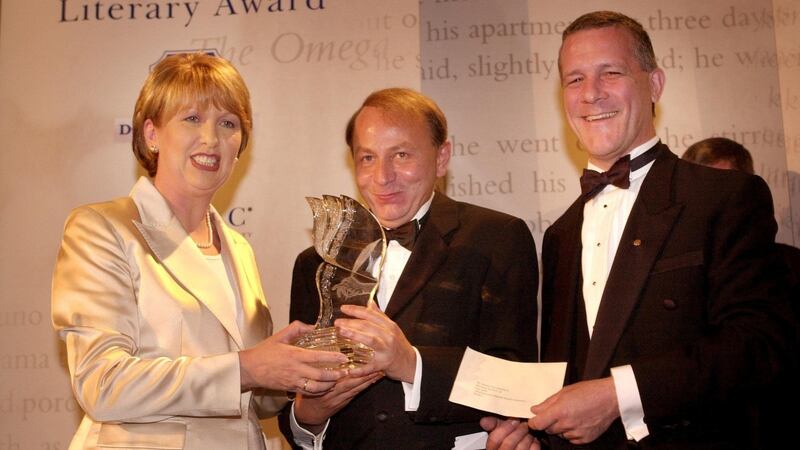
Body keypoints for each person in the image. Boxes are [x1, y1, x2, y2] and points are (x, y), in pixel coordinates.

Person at [481, 11, 794, 450]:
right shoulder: (560, 234)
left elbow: (760, 345)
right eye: (574, 80)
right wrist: (532, 434)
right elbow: (568, 376)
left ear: (655, 84)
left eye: (611, 72)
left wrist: (618, 395)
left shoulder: (724, 196)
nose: (591, 94)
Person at [51, 53, 348, 450]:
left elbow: (250, 401)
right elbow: (102, 384)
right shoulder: (101, 228)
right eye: (192, 118)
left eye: (228, 124)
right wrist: (246, 368)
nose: (211, 138)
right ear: (152, 134)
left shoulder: (238, 247)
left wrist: (299, 368)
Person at [279, 87, 539, 449]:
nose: (383, 177)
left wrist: (412, 364)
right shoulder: (316, 262)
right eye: (367, 158)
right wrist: (308, 416)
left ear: (442, 156)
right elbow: (298, 405)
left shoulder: (496, 238)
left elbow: (518, 379)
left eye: (401, 154)